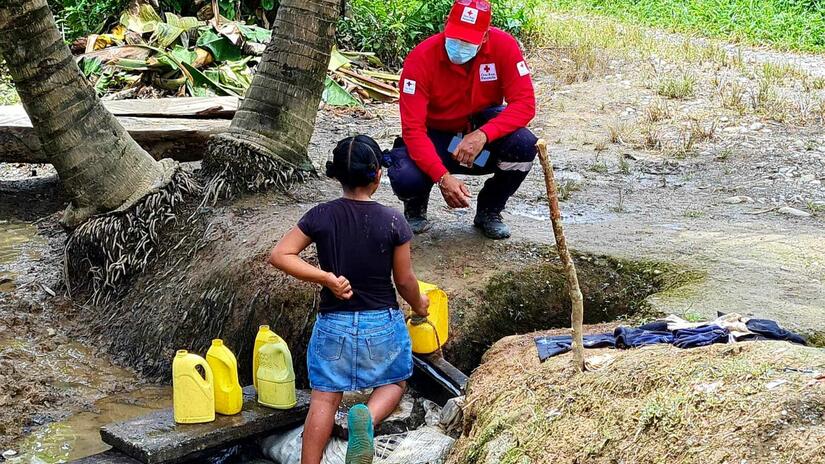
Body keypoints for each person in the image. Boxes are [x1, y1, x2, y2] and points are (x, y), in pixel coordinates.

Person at [269, 135, 430, 464]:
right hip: (381, 322)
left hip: (334, 324)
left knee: (325, 399)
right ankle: (366, 421)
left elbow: (280, 254)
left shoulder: (321, 215)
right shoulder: (393, 220)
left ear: (336, 175)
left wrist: (325, 277)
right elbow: (404, 280)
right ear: (377, 175)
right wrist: (420, 305)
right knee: (395, 382)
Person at [386, 0, 539, 240]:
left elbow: (525, 104)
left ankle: (490, 210)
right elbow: (413, 130)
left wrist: (483, 135)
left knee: (524, 145)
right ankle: (415, 206)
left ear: (485, 37)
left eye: (468, 41)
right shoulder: (421, 59)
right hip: (438, 141)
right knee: (405, 174)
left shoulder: (504, 47)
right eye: (455, 37)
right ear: (446, 26)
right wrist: (442, 177)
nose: (459, 45)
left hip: (481, 148)